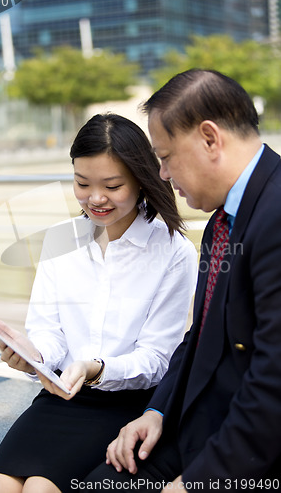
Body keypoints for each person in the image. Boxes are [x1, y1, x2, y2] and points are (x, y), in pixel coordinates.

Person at [83, 70, 281, 492]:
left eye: (166, 156)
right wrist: (157, 411)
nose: (164, 174)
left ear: (210, 139)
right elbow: (201, 336)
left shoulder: (275, 217)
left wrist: (197, 481)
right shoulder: (222, 222)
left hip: (248, 454)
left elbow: (274, 383)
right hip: (196, 426)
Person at [0, 113, 197, 493]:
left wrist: (96, 368)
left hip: (129, 404)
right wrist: (34, 354)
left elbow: (158, 359)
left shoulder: (172, 250)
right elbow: (49, 331)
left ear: (141, 181)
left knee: (40, 489)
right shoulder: (61, 239)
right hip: (62, 399)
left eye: (112, 186)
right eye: (82, 183)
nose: (95, 198)